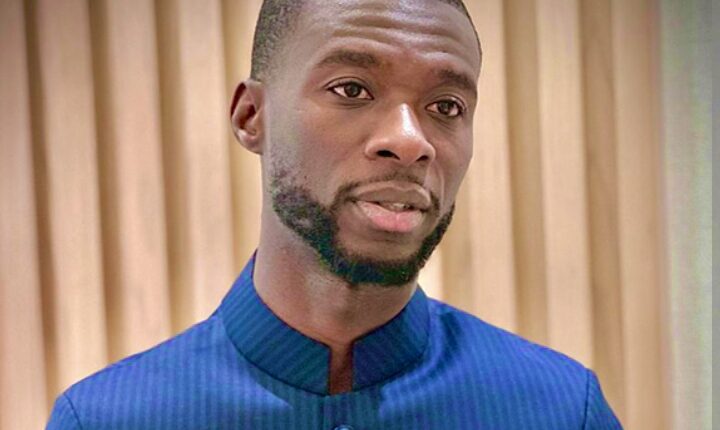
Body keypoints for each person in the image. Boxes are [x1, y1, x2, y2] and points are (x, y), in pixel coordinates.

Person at [47, 0, 622, 428]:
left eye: (446, 106)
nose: (409, 140)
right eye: (351, 90)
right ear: (251, 117)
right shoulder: (105, 420)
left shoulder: (560, 410)